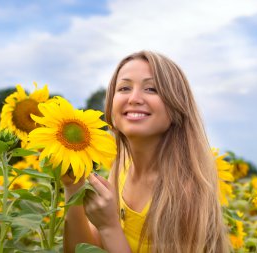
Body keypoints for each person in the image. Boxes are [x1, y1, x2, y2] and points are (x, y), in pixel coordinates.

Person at [62, 51, 230, 253]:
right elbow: (82, 249)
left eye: (151, 89)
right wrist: (73, 189)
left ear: (176, 105)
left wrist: (109, 226)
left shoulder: (185, 192)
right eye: (124, 88)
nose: (134, 98)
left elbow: (107, 233)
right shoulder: (122, 166)